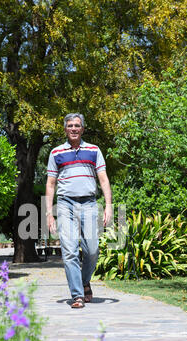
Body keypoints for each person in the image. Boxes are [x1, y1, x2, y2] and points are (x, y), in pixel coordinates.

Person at [45, 113, 112, 308]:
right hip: (65, 204)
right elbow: (50, 184)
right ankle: (77, 295)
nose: (73, 129)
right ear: (65, 129)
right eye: (70, 126)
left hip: (89, 204)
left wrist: (108, 205)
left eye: (77, 125)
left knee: (92, 249)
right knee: (70, 251)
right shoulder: (56, 153)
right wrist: (49, 214)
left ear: (82, 129)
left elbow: (103, 179)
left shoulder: (94, 150)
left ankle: (84, 281)